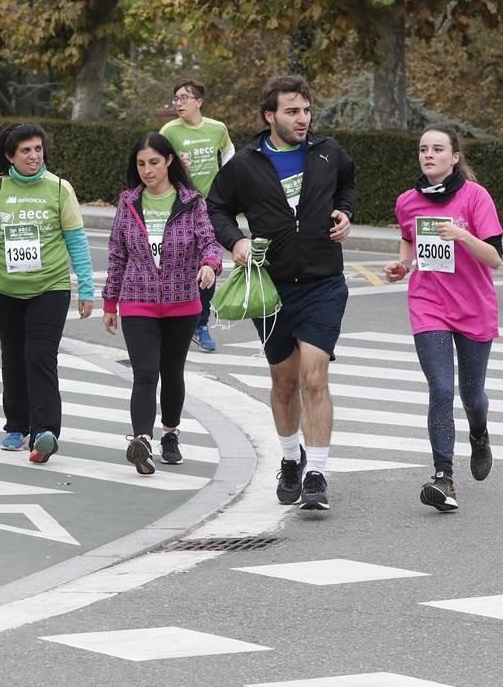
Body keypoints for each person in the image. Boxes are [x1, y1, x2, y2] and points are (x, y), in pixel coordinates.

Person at [207, 75, 354, 512]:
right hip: (271, 288)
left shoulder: (328, 152)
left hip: (323, 282)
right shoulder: (246, 164)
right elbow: (216, 206)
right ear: (270, 115)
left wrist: (346, 212)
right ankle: (292, 460)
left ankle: (317, 474)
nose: (303, 119)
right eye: (292, 111)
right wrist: (235, 240)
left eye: (307, 110)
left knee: (314, 375)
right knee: (284, 382)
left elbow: (348, 183)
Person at [0, 123, 95, 463]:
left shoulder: (60, 189)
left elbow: (76, 241)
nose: (34, 156)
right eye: (25, 151)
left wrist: (87, 288)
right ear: (9, 156)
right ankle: (16, 426)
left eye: (38, 149)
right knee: (13, 356)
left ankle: (45, 430)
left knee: (39, 355)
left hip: (50, 287)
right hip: (3, 288)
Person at [384, 125, 503, 512]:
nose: (428, 155)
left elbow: (496, 258)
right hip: (428, 303)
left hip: (473, 307)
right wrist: (404, 263)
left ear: (455, 157)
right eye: (423, 149)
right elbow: (408, 236)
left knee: (471, 396)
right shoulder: (408, 201)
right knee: (440, 388)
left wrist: (463, 236)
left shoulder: (475, 197)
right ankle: (443, 478)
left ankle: (480, 434)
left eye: (438, 149)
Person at [102, 132, 220, 475]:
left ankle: (170, 433)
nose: (147, 170)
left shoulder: (191, 202)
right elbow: (117, 254)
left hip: (182, 301)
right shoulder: (128, 203)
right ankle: (141, 441)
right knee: (144, 373)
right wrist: (110, 303)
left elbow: (209, 243)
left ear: (169, 161)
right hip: (137, 300)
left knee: (171, 372)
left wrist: (209, 266)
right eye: (140, 164)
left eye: (153, 162)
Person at [160, 78, 235, 353]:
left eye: (184, 98)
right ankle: (175, 318)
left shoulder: (217, 128)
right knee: (179, 263)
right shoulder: (169, 130)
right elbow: (154, 162)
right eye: (176, 98)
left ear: (199, 102)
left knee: (209, 263)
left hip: (211, 206)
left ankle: (201, 324)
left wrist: (228, 181)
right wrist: (174, 166)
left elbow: (228, 152)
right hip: (179, 206)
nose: (178, 103)